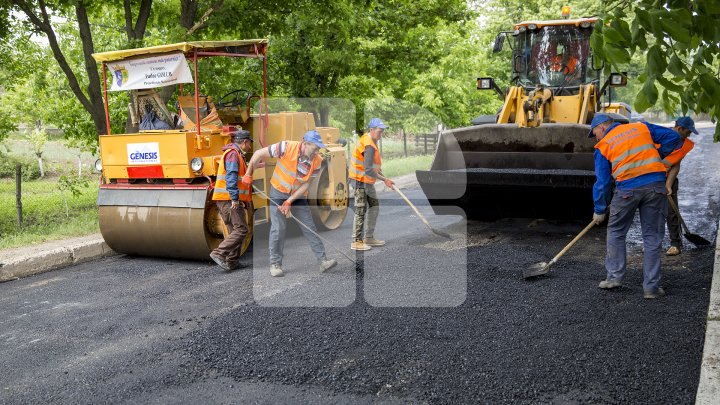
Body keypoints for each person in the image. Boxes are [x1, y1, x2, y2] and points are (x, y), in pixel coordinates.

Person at [590, 113, 682, 299]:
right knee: (652, 237)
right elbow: (674, 137)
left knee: (616, 231)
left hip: (627, 191)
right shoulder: (641, 127)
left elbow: (603, 182)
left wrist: (600, 209)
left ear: (601, 127)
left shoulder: (603, 145)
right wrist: (659, 154)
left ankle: (614, 278)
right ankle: (651, 288)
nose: (596, 138)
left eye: (595, 134)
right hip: (656, 187)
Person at [243, 130, 337, 277]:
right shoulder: (285, 147)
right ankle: (275, 264)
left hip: (298, 196)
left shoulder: (317, 160)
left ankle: (323, 261)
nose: (317, 151)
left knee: (309, 227)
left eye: (319, 148)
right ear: (305, 144)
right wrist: (249, 174)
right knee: (279, 227)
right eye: (315, 148)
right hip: (278, 192)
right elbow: (258, 154)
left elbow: (306, 185)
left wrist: (290, 201)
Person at [209, 129, 253, 270]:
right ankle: (219, 253)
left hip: (226, 198)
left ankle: (232, 261)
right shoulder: (233, 155)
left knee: (234, 228)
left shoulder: (235, 154)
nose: (250, 147)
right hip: (229, 199)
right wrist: (235, 198)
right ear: (244, 142)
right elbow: (231, 176)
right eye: (249, 144)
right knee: (241, 229)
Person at [349, 118, 395, 251]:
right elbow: (368, 169)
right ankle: (356, 241)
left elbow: (374, 167)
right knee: (361, 209)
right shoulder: (368, 144)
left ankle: (368, 237)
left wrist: (386, 178)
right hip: (359, 180)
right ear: (372, 130)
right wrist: (384, 180)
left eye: (382, 131)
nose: (381, 134)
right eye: (379, 131)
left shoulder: (371, 141)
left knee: (374, 207)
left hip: (366, 181)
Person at [664, 116, 698, 256]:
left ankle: (675, 244)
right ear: (679, 128)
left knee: (671, 211)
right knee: (651, 211)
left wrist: (668, 185)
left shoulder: (684, 143)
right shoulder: (661, 137)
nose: (689, 135)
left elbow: (676, 164)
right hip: (651, 178)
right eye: (688, 132)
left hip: (668, 178)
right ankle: (652, 243)